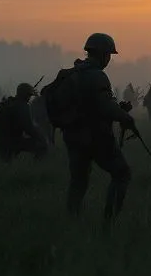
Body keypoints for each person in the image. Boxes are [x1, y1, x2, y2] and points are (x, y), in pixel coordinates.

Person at [44, 33, 137, 221]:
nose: (109, 59)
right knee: (122, 173)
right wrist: (124, 116)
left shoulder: (72, 74)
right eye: (109, 55)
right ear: (103, 55)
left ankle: (72, 219)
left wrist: (116, 110)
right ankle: (109, 222)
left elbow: (91, 104)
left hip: (72, 136)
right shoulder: (97, 76)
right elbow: (104, 106)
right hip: (96, 136)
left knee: (78, 180)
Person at [0, 82, 48, 162]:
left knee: (6, 164)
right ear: (25, 95)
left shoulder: (2, 104)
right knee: (42, 146)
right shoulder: (22, 106)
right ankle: (35, 169)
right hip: (14, 141)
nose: (29, 98)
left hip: (1, 141)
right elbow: (29, 128)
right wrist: (41, 138)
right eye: (29, 95)